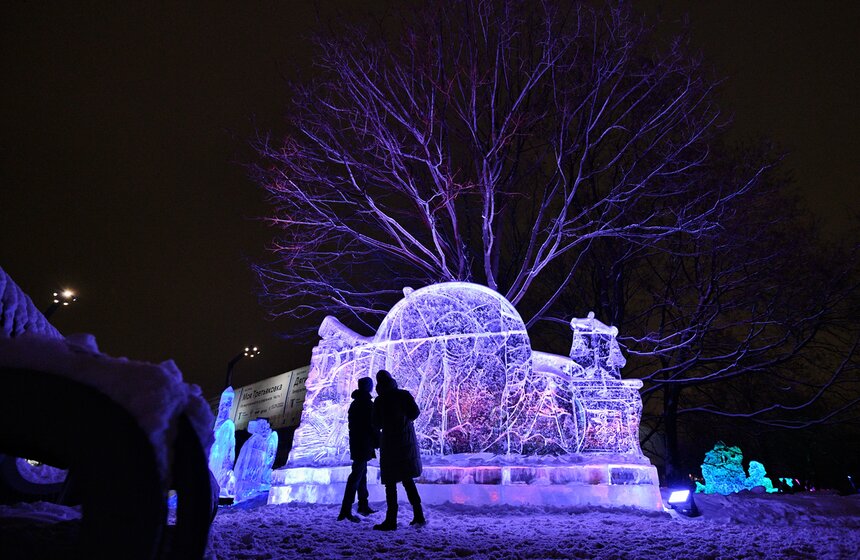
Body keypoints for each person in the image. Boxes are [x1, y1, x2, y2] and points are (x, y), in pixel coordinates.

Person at [372, 369, 425, 530]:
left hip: (389, 443)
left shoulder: (380, 401)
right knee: (407, 480)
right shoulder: (403, 395)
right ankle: (419, 515)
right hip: (406, 441)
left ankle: (391, 519)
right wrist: (405, 422)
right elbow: (415, 412)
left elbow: (376, 423)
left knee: (390, 483)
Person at [338, 376, 379, 522]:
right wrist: (378, 440)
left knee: (361, 474)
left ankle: (363, 505)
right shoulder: (366, 403)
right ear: (368, 387)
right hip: (363, 444)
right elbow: (372, 425)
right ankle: (345, 509)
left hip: (358, 443)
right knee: (356, 475)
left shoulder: (356, 403)